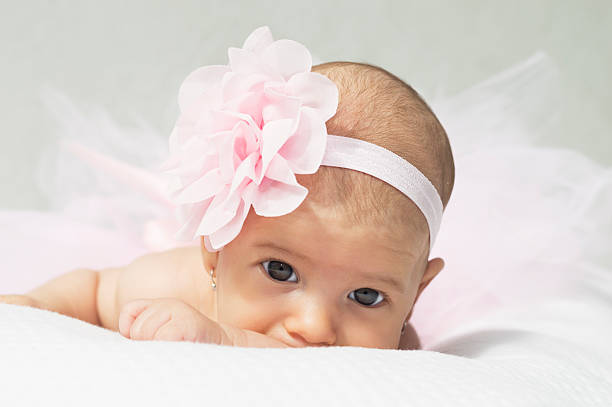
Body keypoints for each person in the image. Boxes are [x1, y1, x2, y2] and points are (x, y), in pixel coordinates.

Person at [0, 26, 454, 349]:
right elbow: (96, 287)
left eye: (366, 297)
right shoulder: (168, 286)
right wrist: (40, 304)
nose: (315, 328)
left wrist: (224, 340)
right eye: (279, 270)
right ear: (215, 250)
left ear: (416, 295)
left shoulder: (398, 349)